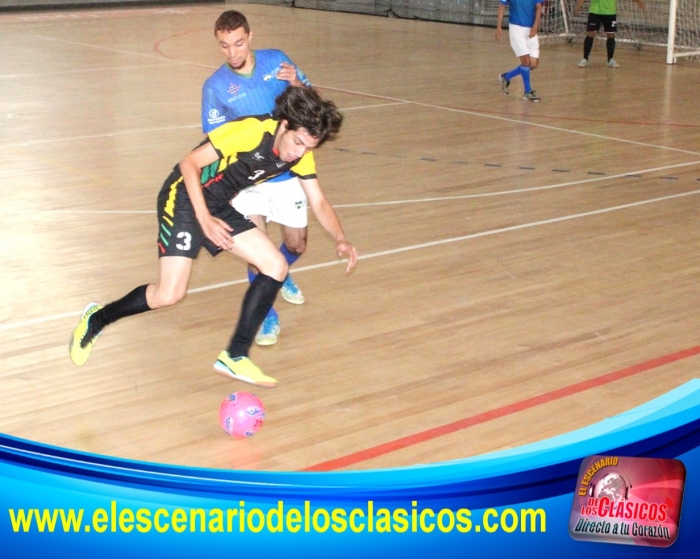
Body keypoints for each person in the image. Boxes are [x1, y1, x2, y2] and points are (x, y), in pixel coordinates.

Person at [69, 87, 358, 389]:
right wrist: (204, 219)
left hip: (218, 205)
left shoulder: (298, 157)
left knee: (275, 265)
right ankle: (97, 319)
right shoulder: (250, 132)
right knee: (169, 294)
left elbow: (319, 201)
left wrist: (341, 237)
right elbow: (188, 164)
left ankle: (235, 355)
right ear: (284, 124)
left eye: (308, 148)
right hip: (182, 198)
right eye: (298, 142)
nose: (299, 153)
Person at [202, 10, 312, 347]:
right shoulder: (215, 87)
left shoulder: (277, 62)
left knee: (296, 244)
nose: (232, 53)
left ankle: (280, 272)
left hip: (285, 171)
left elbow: (312, 108)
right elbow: (215, 143)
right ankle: (267, 315)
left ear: (250, 37)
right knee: (258, 251)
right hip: (247, 180)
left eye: (238, 43)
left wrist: (296, 83)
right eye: (224, 46)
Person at [495, 0, 544, 102]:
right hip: (516, 28)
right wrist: (499, 27)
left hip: (531, 29)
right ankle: (527, 92)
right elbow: (502, 5)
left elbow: (539, 7)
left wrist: (535, 26)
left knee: (533, 64)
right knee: (525, 62)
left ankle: (506, 77)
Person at [574, 0, 645, 68]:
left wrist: (638, 2)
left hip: (610, 12)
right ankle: (585, 59)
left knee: (610, 34)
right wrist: (579, 5)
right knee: (591, 33)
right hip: (595, 11)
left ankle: (610, 59)